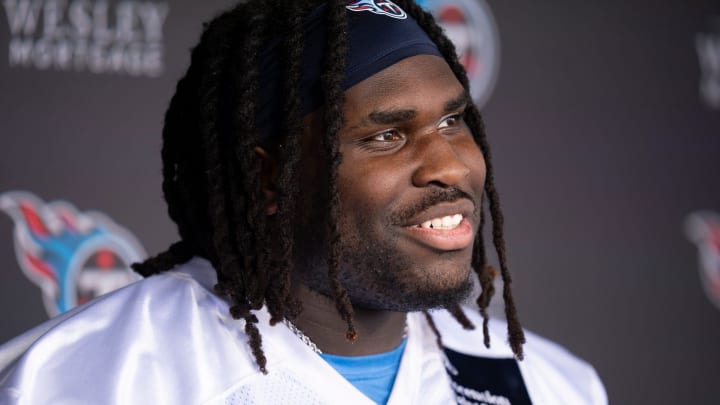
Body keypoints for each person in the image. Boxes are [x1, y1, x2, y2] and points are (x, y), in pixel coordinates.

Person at [0, 0, 607, 403]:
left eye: (453, 121)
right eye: (386, 135)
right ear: (271, 181)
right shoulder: (98, 378)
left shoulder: (549, 385)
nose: (450, 165)